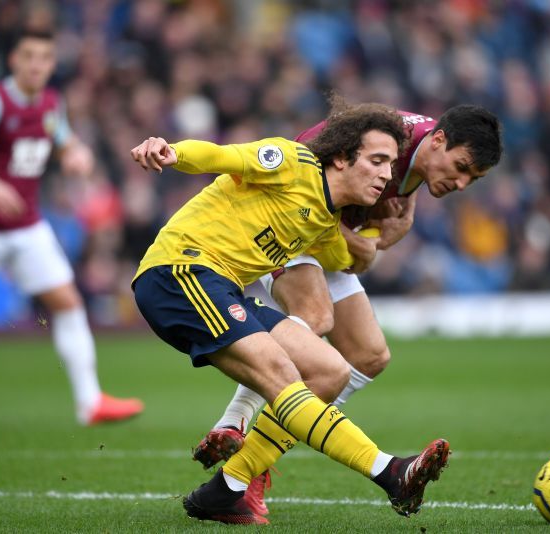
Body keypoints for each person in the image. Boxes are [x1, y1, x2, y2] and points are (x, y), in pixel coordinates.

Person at [130, 100, 450, 526]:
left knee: (329, 371)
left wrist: (380, 237)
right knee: (282, 371)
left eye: (391, 164)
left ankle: (226, 490)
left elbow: (353, 260)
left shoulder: (324, 220)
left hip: (223, 287)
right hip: (180, 272)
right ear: (340, 157)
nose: (386, 174)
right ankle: (390, 472)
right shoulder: (293, 161)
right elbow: (223, 156)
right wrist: (172, 152)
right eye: (376, 160)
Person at [192, 103, 503, 514]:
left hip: (327, 242)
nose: (462, 183)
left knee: (370, 355)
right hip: (284, 229)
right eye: (461, 167)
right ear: (439, 139)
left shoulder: (419, 162)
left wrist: (374, 241)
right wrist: (370, 245)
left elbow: (362, 247)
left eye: (473, 178)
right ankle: (237, 429)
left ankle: (250, 454)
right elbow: (303, 181)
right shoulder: (381, 137)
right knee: (316, 316)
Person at [0, 29, 144, 432]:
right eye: (29, 56)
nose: (37, 64)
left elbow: (63, 141)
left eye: (44, 57)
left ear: (52, 64)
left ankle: (89, 401)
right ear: (14, 62)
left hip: (26, 227)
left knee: (69, 303)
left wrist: (77, 153)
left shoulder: (51, 103)